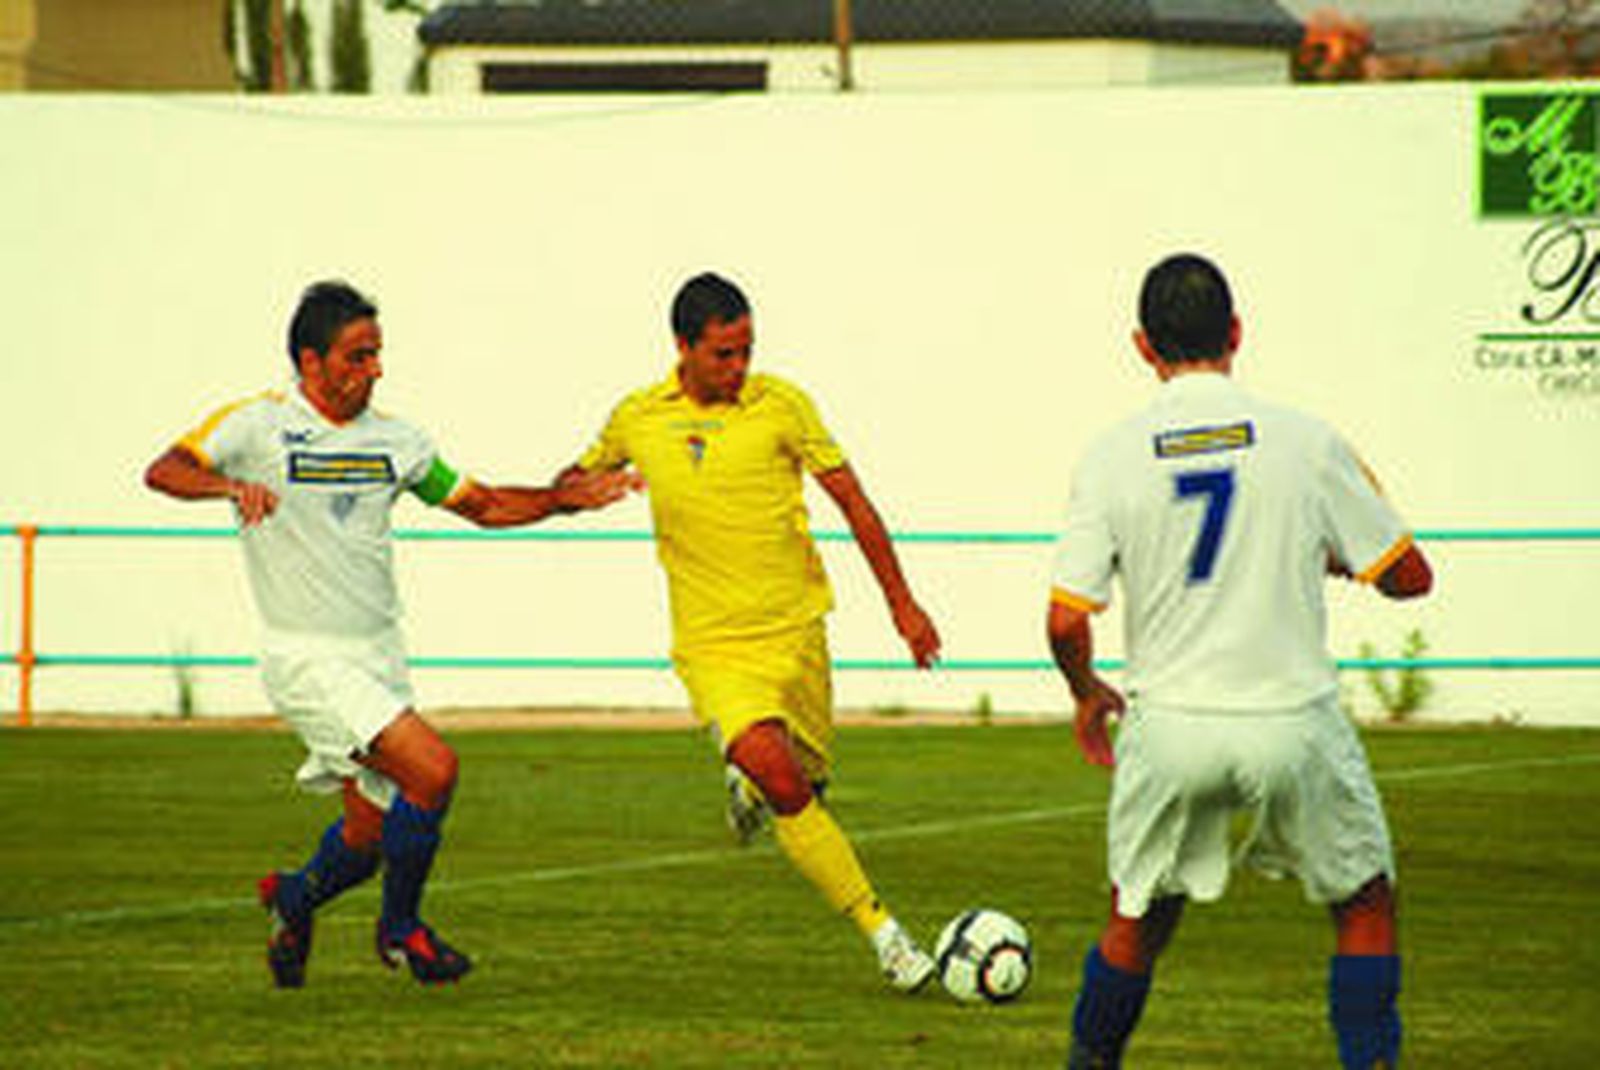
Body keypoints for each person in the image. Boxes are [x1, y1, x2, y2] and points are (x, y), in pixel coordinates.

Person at [144, 280, 635, 988]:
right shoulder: (257, 425)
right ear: (310, 362)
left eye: (377, 354)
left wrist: (562, 501)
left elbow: (483, 503)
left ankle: (295, 897)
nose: (373, 369)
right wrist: (229, 488)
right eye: (356, 355)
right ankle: (400, 932)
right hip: (307, 657)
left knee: (368, 840)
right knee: (433, 770)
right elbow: (165, 470)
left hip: (378, 654)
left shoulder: (398, 441)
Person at [1046, 254, 1433, 1068]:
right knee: (1363, 904)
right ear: (1236, 333)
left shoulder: (1110, 454)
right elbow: (1409, 577)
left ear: (1143, 346)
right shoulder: (1306, 439)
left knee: (1138, 916)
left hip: (1171, 726)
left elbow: (1064, 618)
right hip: (1292, 720)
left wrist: (1086, 694)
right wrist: (1337, 540)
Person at [556, 271, 944, 991]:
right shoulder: (638, 417)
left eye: (747, 351)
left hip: (796, 634)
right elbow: (568, 482)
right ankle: (887, 937)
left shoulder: (784, 404)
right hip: (713, 648)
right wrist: (578, 493)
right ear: (684, 347)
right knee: (783, 779)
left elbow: (853, 502)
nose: (739, 369)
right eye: (724, 355)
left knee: (808, 788)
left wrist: (903, 603)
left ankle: (750, 782)